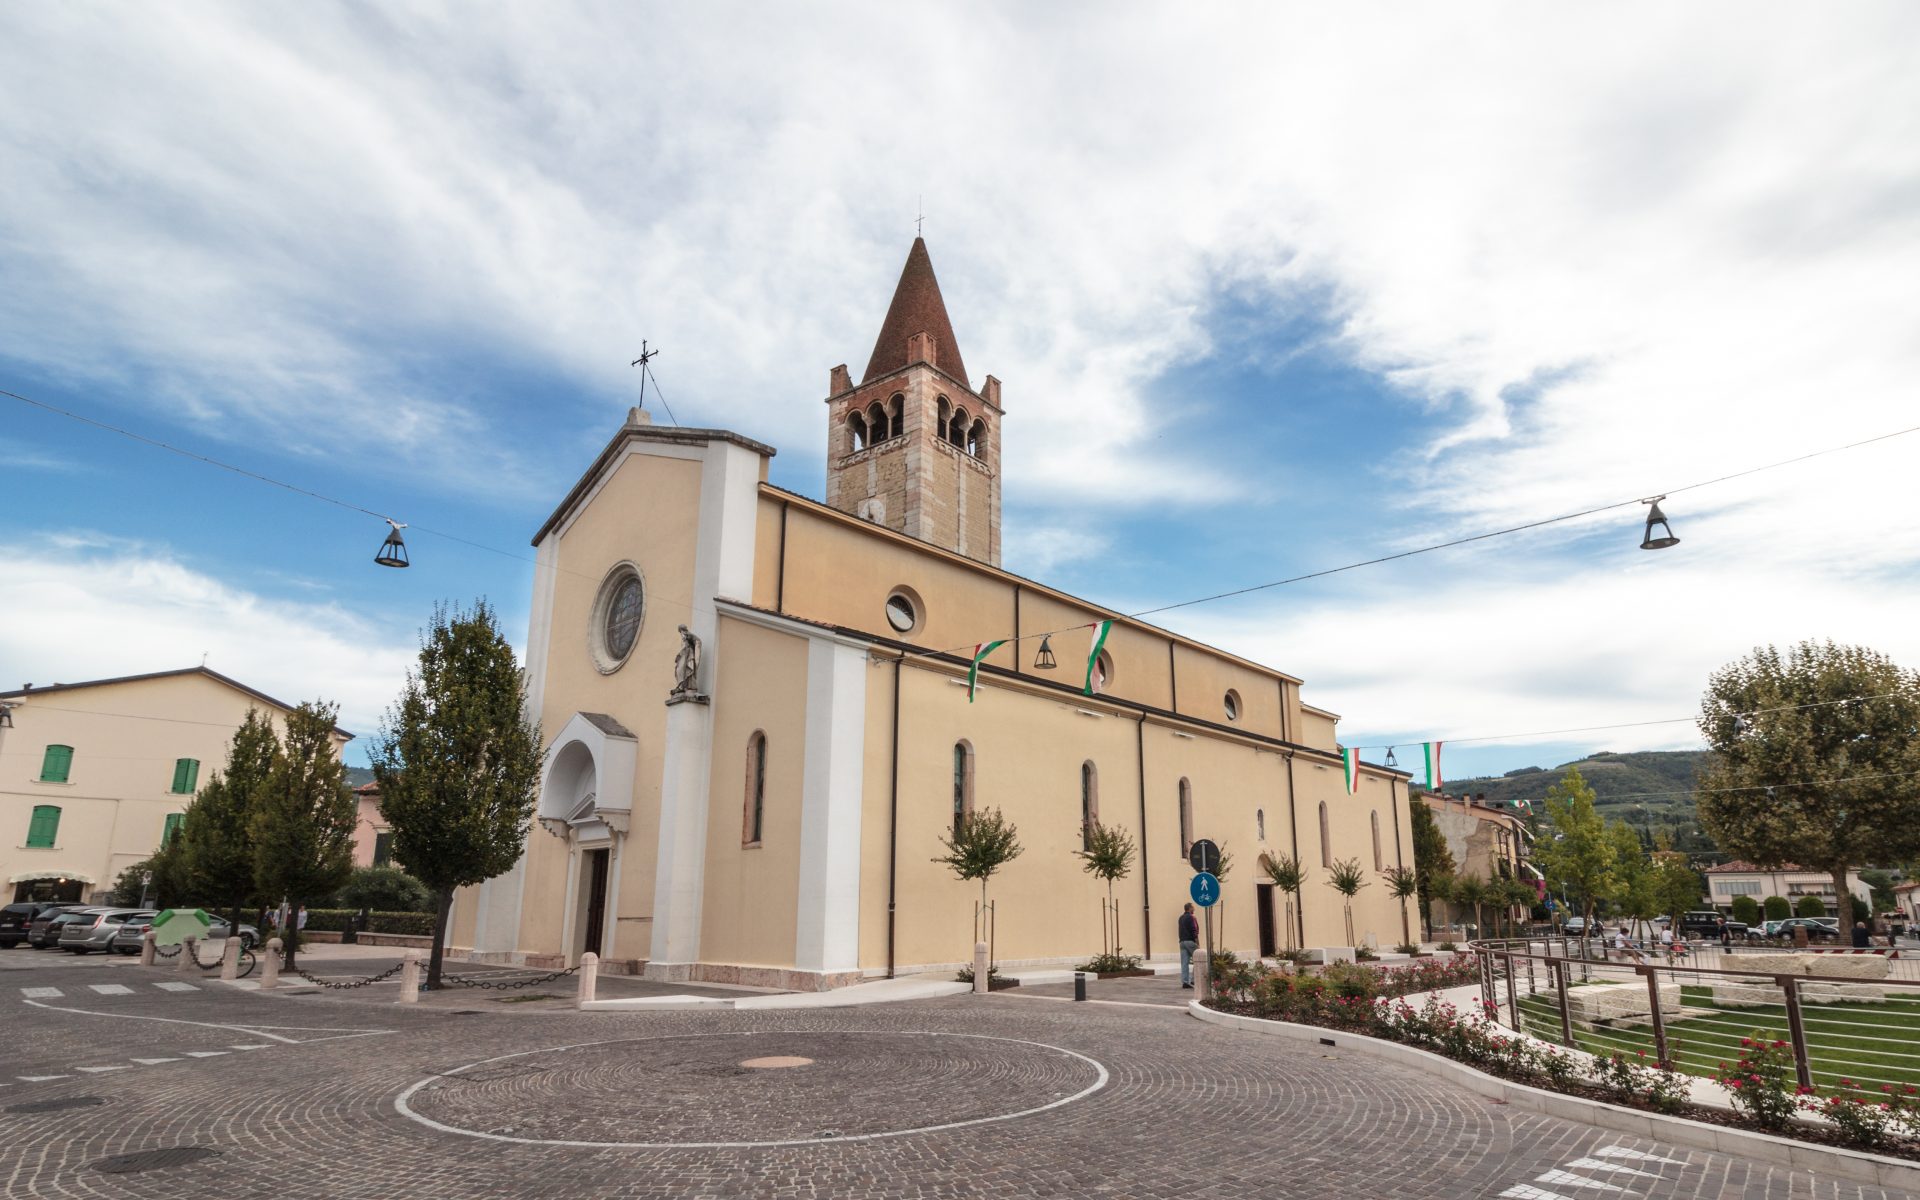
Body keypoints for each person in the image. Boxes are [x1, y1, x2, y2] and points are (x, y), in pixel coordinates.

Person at [1178, 903, 1200, 989]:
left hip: (1182, 942)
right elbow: (1194, 930)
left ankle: (1185, 982)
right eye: (1193, 907)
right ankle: (1194, 980)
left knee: (1184, 963)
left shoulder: (1180, 918)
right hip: (1190, 941)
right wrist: (1197, 943)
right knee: (1199, 959)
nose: (1194, 909)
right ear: (1190, 908)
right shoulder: (1192, 917)